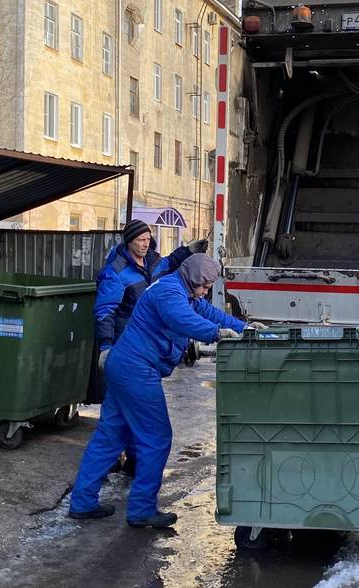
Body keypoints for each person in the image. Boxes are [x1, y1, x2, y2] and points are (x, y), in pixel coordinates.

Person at [69, 253, 246, 528]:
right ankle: (141, 510)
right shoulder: (169, 292)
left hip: (124, 365)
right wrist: (216, 334)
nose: (206, 290)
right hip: (136, 371)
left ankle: (82, 502)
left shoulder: (181, 289)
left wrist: (244, 329)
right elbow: (184, 320)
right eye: (205, 284)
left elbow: (209, 313)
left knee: (110, 436)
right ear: (194, 277)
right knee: (156, 437)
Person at [93, 220, 207, 475]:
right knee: (120, 407)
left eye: (148, 239)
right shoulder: (116, 271)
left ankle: (131, 460)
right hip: (124, 345)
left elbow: (169, 264)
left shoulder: (154, 262)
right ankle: (111, 459)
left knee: (135, 407)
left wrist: (188, 250)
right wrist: (105, 346)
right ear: (129, 241)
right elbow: (104, 311)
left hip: (146, 348)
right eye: (140, 239)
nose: (145, 244)